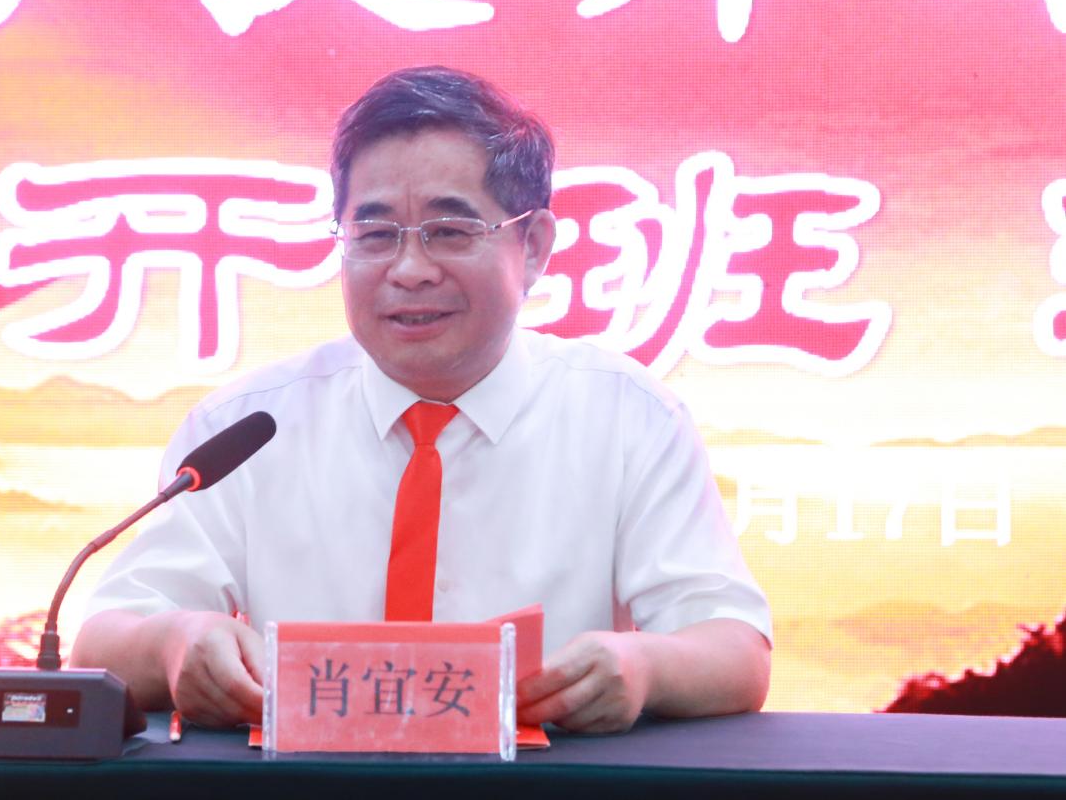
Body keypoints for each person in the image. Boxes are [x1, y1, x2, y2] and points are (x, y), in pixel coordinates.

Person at [73, 66, 771, 734]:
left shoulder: (628, 417)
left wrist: (644, 667)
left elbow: (735, 649)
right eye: (376, 235)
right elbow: (101, 643)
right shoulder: (247, 428)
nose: (408, 270)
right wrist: (176, 642)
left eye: (449, 232)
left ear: (532, 246)